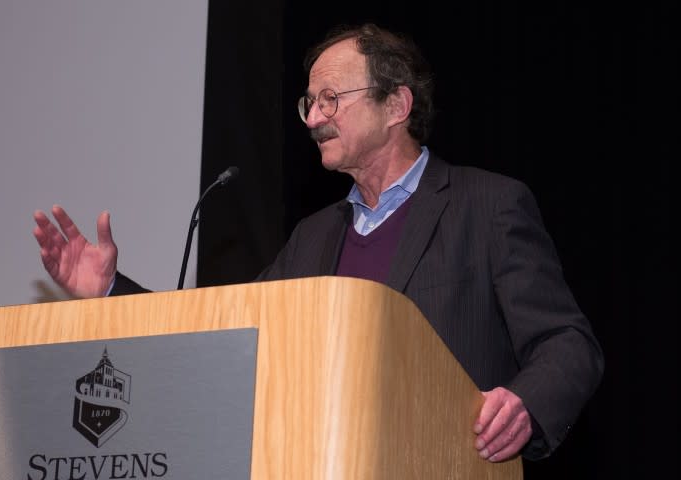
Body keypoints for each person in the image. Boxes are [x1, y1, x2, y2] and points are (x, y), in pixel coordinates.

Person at [33, 23, 603, 464]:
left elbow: (567, 342)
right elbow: (224, 337)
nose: (315, 118)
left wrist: (525, 402)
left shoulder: (487, 206)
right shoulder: (314, 235)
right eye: (310, 103)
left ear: (397, 106)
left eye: (331, 98)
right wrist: (109, 289)